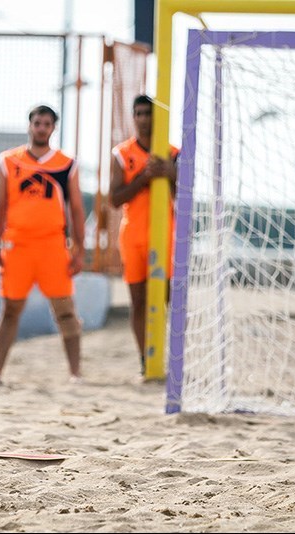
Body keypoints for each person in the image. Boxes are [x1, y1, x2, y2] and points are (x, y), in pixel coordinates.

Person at [0, 105, 86, 382]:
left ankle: (75, 373)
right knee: (10, 310)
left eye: (47, 123)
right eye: (37, 123)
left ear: (53, 128)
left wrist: (79, 249)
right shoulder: (8, 161)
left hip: (53, 246)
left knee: (66, 311)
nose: (41, 128)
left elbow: (77, 210)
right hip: (16, 245)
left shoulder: (67, 164)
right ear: (29, 125)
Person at [108, 94, 178, 375]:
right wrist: (143, 179)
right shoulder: (122, 154)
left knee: (167, 299)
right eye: (138, 114)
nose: (143, 119)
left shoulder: (173, 153)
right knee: (138, 302)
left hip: (165, 234)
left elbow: (186, 196)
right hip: (133, 235)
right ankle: (145, 359)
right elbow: (114, 199)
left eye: (147, 114)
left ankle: (172, 358)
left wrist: (172, 174)